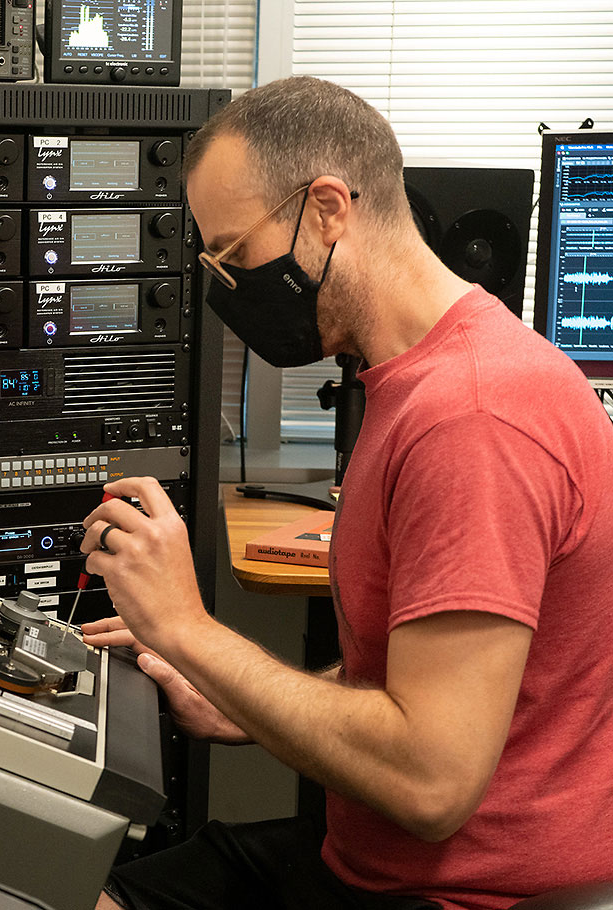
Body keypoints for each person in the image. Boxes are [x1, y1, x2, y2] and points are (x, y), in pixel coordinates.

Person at [78, 76, 613, 910]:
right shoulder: (418, 380)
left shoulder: (474, 418)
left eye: (234, 253)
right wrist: (238, 702)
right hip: (369, 858)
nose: (227, 287)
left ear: (328, 209)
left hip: (456, 894)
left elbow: (432, 784)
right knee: (69, 881)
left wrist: (187, 631)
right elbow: (411, 683)